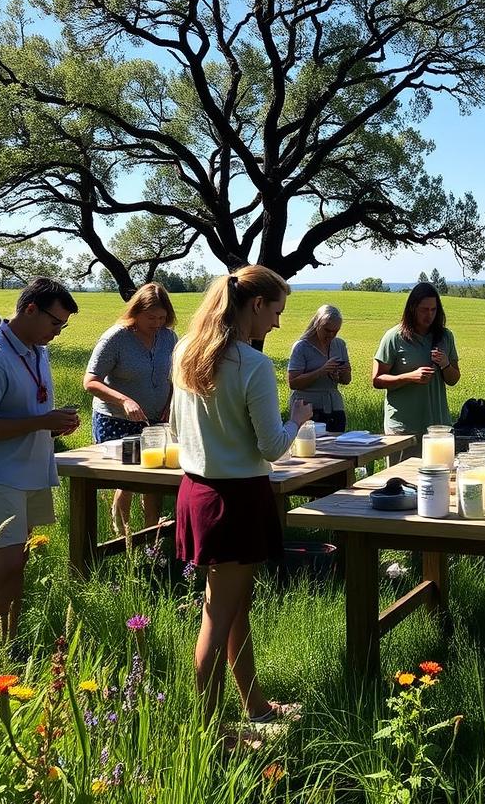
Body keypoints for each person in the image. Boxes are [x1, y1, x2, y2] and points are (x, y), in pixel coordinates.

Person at [170, 266, 312, 721]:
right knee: (216, 618)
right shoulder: (252, 364)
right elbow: (272, 446)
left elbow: (175, 427)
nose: (276, 323)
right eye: (276, 311)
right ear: (255, 305)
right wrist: (298, 418)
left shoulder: (185, 353)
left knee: (235, 607)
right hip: (236, 500)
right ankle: (210, 732)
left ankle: (256, 706)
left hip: (197, 492)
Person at [0, 278, 81, 641]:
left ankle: (7, 643)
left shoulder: (36, 349)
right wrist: (41, 421)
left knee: (15, 561)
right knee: (4, 561)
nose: (57, 332)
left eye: (63, 326)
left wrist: (53, 425)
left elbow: (23, 411)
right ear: (29, 309)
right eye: (55, 323)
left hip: (25, 470)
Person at [83, 282, 178, 534]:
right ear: (135, 312)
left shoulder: (169, 337)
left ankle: (150, 537)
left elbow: (173, 378)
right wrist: (124, 400)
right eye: (150, 317)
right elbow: (90, 381)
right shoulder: (116, 337)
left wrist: (170, 405)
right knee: (127, 477)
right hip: (116, 419)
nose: (157, 323)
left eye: (162, 317)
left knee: (153, 476)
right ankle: (122, 534)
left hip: (155, 419)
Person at [373, 282, 460, 437]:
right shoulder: (394, 337)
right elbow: (377, 380)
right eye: (424, 310)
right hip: (403, 429)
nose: (429, 315)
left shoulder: (445, 337)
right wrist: (409, 377)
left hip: (438, 428)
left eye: (434, 310)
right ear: (412, 308)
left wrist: (445, 364)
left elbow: (453, 380)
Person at [287, 304, 352, 433]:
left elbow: (347, 379)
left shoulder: (339, 345)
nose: (331, 335)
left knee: (336, 449)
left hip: (335, 408)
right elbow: (293, 382)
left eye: (335, 331)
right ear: (317, 324)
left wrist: (339, 374)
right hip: (307, 410)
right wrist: (321, 371)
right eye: (327, 330)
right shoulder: (302, 347)